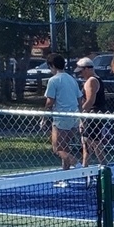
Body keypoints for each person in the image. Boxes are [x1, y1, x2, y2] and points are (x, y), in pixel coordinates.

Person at [41, 53, 82, 181]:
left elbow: (50, 101)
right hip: (74, 116)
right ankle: (65, 177)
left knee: (57, 148)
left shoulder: (53, 80)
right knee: (65, 147)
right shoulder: (71, 79)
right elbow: (80, 99)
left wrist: (44, 116)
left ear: (52, 66)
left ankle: (80, 168)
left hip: (61, 117)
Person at [76, 57, 108, 168]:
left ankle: (101, 167)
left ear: (87, 69)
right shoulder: (92, 80)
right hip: (93, 115)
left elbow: (90, 101)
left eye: (81, 71)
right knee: (89, 144)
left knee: (91, 143)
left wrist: (81, 114)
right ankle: (88, 168)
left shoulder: (92, 81)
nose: (80, 74)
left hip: (93, 115)